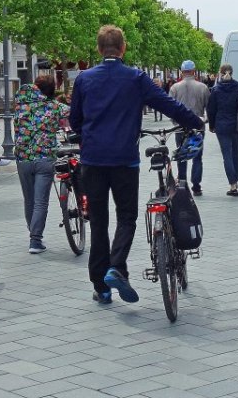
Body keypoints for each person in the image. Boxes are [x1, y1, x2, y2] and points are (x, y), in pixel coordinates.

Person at [69, 25, 203, 305]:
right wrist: (195, 122)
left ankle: (101, 288)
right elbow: (168, 105)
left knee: (98, 222)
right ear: (123, 48)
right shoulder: (135, 78)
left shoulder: (84, 79)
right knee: (126, 217)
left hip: (92, 160)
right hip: (123, 160)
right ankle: (117, 267)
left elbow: (75, 121)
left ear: (98, 49)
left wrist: (87, 135)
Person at [13, 74, 70, 254]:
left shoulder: (20, 104)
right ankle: (35, 240)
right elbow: (74, 112)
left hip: (23, 158)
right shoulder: (53, 106)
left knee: (29, 200)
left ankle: (33, 232)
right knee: (40, 202)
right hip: (45, 158)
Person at [206, 63, 238, 196]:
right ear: (232, 72)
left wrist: (212, 125)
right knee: (236, 154)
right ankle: (236, 180)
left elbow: (211, 109)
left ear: (220, 72)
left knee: (227, 155)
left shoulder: (216, 89)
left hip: (222, 126)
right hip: (237, 125)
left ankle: (232, 184)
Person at [169, 59, 210, 195]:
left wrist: (175, 122)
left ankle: (182, 183)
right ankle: (196, 186)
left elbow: (169, 108)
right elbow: (208, 107)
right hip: (197, 127)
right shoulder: (202, 87)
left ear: (182, 72)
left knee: (182, 156)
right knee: (197, 157)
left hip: (180, 127)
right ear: (193, 71)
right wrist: (205, 120)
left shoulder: (175, 88)